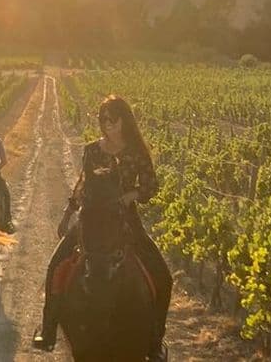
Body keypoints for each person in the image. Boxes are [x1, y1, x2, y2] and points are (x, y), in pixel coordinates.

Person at [32, 95, 172, 361]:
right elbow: (83, 184)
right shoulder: (92, 150)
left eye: (112, 119)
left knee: (164, 277)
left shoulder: (136, 151)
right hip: (91, 218)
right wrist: (69, 212)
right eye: (103, 119)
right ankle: (48, 330)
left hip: (124, 219)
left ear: (124, 120)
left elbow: (151, 186)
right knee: (54, 266)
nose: (107, 125)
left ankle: (154, 342)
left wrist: (130, 196)